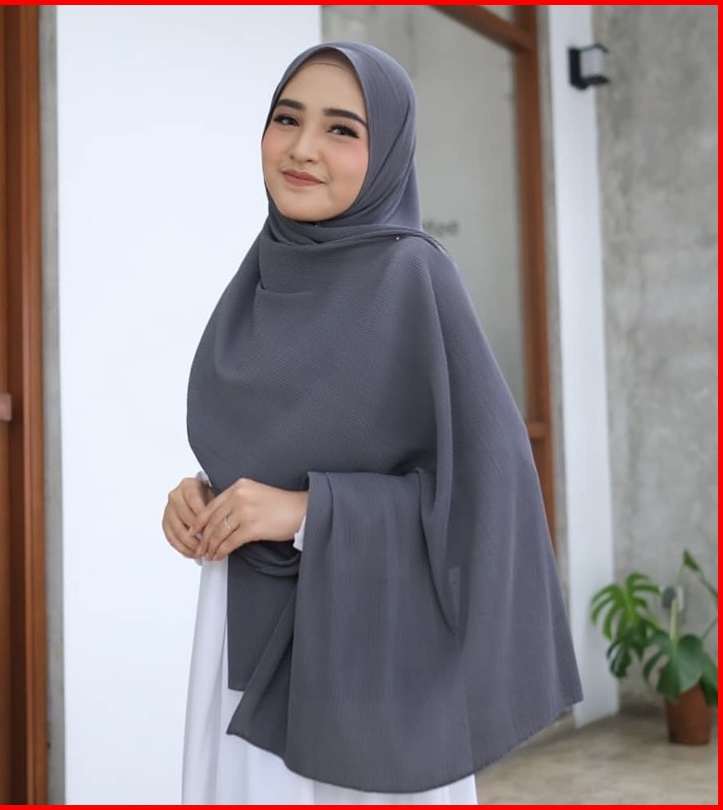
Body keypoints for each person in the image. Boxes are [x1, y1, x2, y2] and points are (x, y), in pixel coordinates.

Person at [162, 41, 583, 805]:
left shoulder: (413, 275)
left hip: (374, 660)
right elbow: (275, 441)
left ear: (388, 151)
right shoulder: (262, 273)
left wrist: (305, 512)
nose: (302, 148)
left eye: (341, 129)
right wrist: (203, 495)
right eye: (286, 119)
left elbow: (488, 494)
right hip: (238, 630)